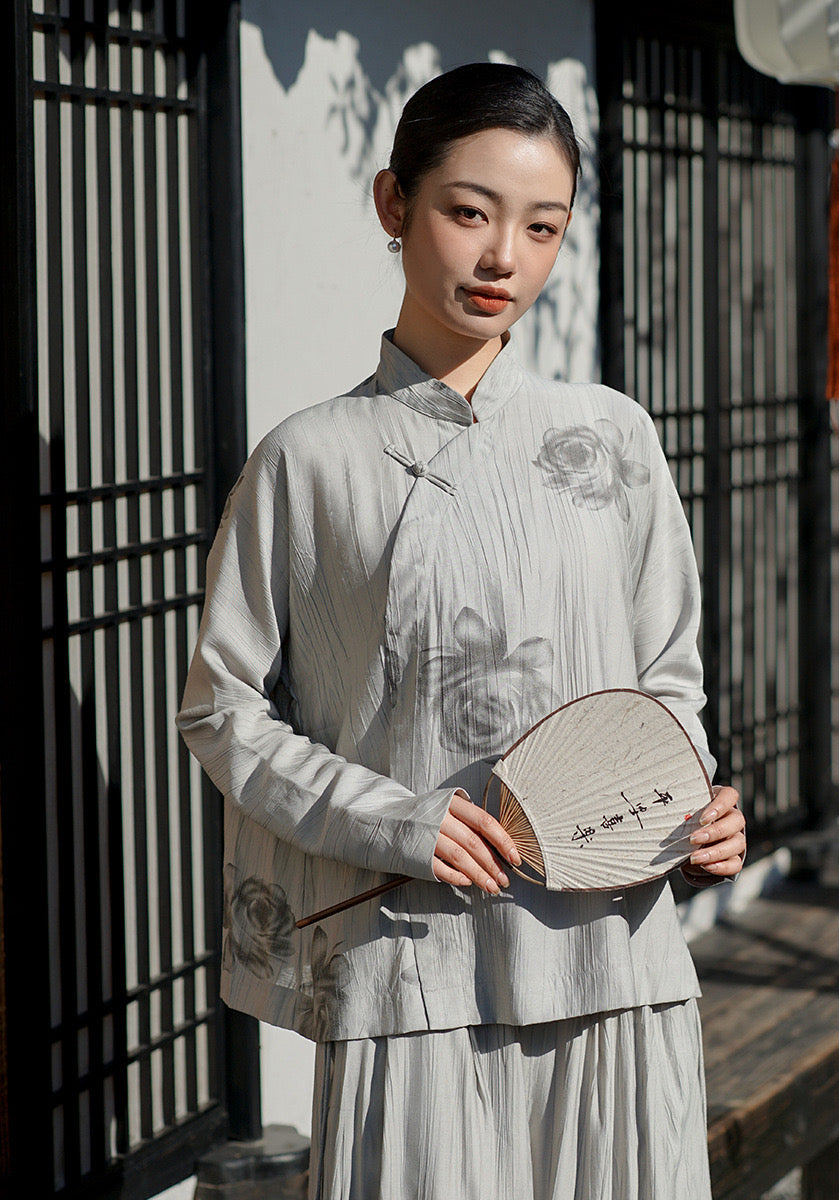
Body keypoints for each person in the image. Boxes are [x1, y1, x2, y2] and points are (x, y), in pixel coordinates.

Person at [177, 62, 746, 1200]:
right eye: (470, 212)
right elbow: (221, 710)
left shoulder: (613, 439)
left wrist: (691, 804)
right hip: (412, 966)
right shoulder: (307, 460)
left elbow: (666, 684)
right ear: (395, 203)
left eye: (542, 227)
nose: (503, 259)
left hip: (614, 957)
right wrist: (397, 820)